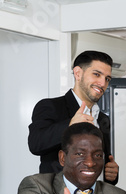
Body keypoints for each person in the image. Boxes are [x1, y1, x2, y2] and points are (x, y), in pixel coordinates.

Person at [28, 50, 119, 185]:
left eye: (107, 78)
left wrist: (111, 174)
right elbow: (35, 144)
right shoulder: (50, 106)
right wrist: (70, 124)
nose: (102, 83)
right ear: (78, 73)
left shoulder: (102, 119)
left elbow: (103, 161)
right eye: (96, 74)